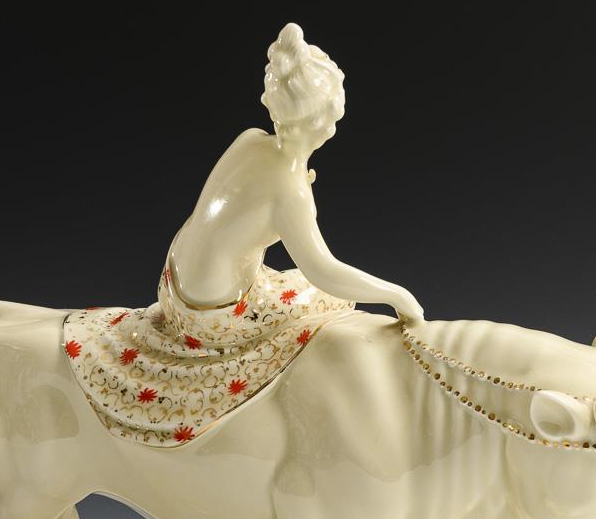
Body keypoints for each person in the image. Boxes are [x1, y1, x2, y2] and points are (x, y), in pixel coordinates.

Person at [161, 22, 424, 334]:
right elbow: (324, 272)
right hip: (210, 312)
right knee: (331, 301)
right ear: (326, 121)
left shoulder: (249, 138)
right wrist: (398, 296)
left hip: (172, 278)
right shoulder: (291, 191)